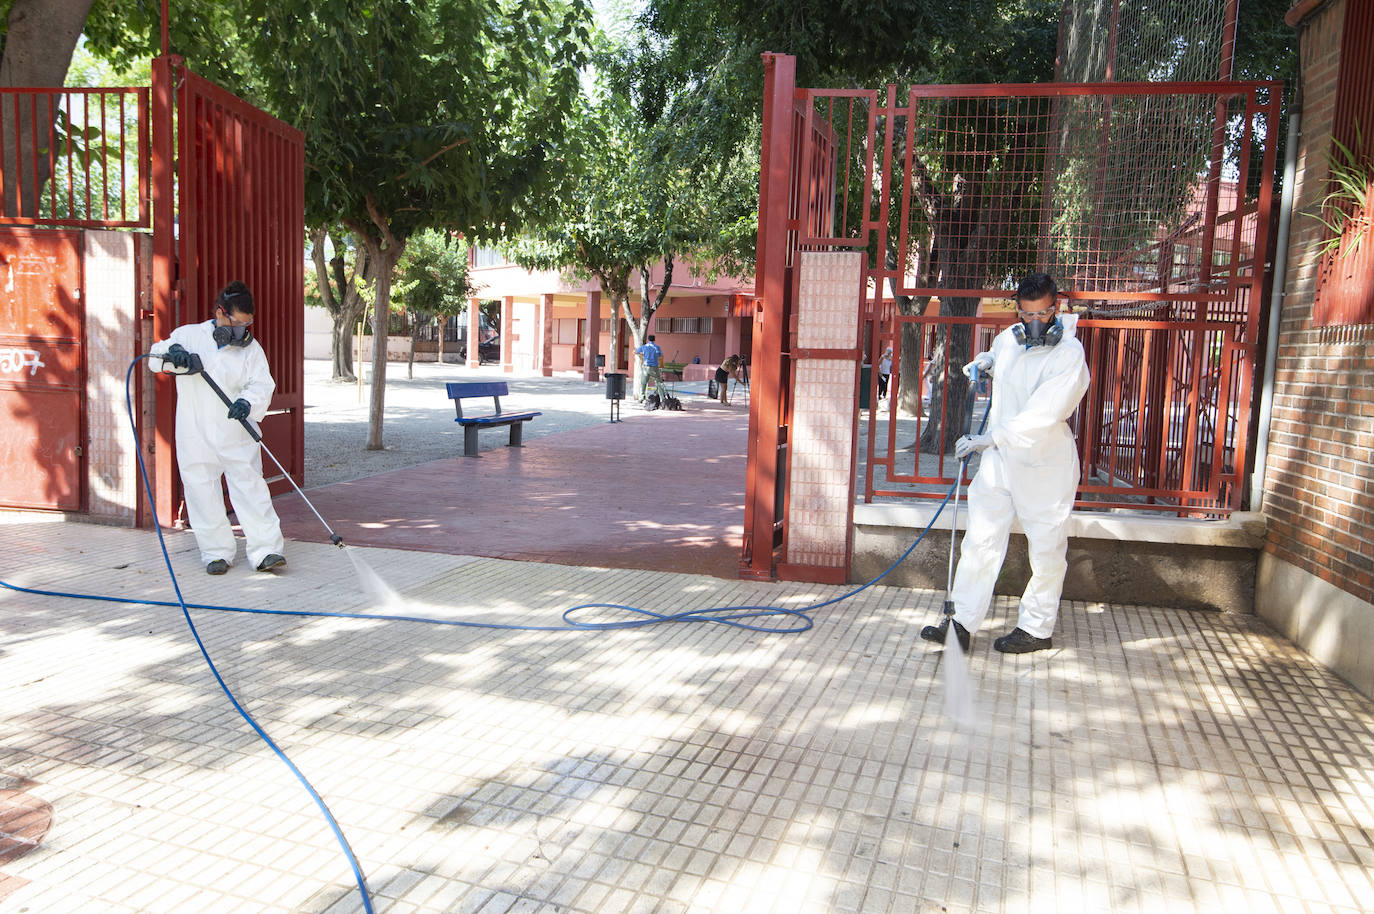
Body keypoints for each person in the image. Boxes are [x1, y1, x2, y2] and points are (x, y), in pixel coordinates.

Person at [920, 273, 1089, 654]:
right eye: (1026, 313)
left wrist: (989, 439)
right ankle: (960, 622)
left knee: (1045, 547)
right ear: (1018, 308)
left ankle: (1036, 628)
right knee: (980, 540)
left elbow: (1043, 413)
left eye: (1042, 314)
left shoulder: (1069, 355)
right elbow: (1007, 364)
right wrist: (987, 361)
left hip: (1044, 465)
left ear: (1055, 308)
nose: (1033, 323)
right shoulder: (1008, 338)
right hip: (999, 463)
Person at [150, 281, 287, 576]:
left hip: (236, 431)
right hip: (195, 432)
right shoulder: (188, 336)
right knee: (201, 490)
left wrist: (247, 403)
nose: (242, 330)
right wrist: (174, 353)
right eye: (236, 323)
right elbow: (154, 356)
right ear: (220, 313)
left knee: (250, 488)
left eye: (247, 324)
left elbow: (262, 384)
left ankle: (266, 550)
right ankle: (216, 552)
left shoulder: (251, 350)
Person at [635, 334, 663, 402]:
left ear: (648, 339)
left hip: (646, 367)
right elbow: (660, 355)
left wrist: (641, 355)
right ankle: (662, 398)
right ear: (654, 340)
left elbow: (636, 351)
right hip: (654, 367)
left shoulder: (644, 347)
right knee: (658, 382)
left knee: (644, 382)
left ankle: (641, 397)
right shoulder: (657, 347)